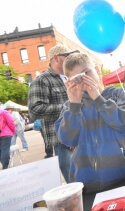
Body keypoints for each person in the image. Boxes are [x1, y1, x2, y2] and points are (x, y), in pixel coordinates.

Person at [54, 53, 125, 193]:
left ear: (97, 70)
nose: (84, 80)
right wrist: (74, 105)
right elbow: (68, 139)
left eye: (86, 73)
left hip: (122, 178)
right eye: (77, 79)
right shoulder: (71, 106)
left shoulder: (117, 95)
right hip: (86, 184)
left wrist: (99, 99)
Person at [28, 44, 79, 183]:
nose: (70, 58)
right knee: (74, 181)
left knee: (87, 178)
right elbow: (34, 109)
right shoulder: (41, 80)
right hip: (61, 140)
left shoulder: (70, 77)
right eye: (67, 56)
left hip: (80, 135)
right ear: (56, 58)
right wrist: (68, 106)